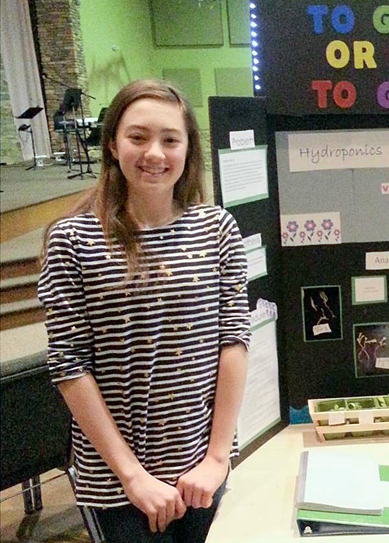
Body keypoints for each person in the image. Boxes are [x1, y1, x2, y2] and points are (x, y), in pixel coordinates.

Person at [38, 80, 250, 542]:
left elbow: (233, 342)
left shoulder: (217, 229)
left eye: (170, 139)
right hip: (117, 485)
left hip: (201, 475)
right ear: (113, 143)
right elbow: (70, 366)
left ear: (188, 148)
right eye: (138, 136)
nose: (154, 152)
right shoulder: (72, 240)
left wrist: (216, 460)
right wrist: (133, 478)